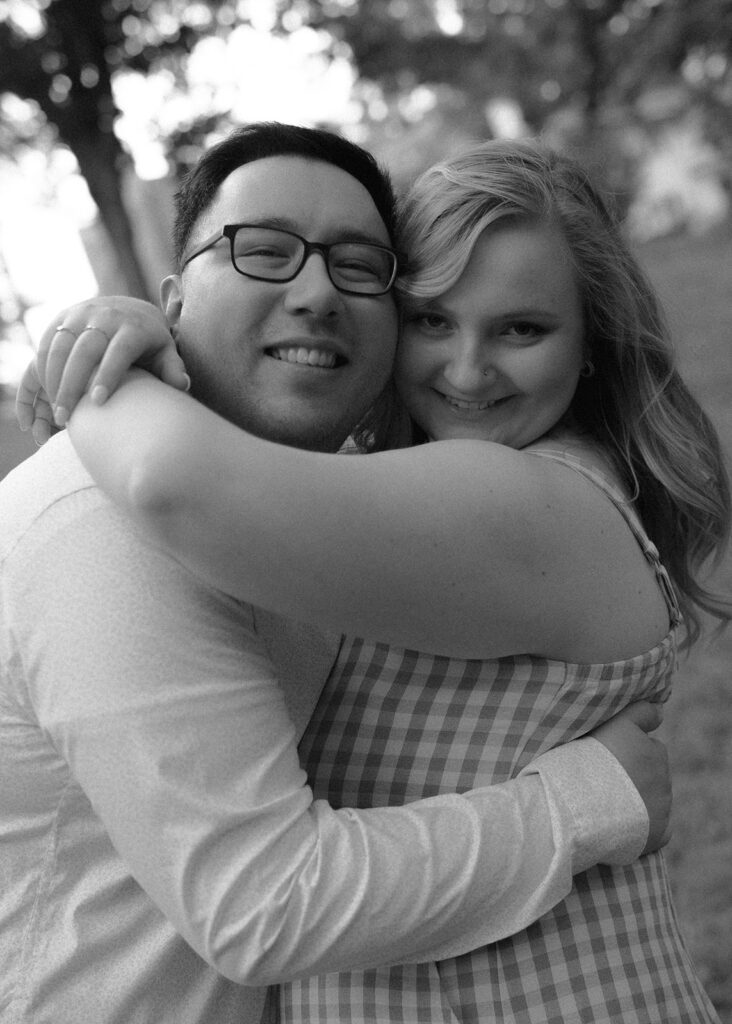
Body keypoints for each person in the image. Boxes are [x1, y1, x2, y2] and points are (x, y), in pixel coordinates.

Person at [27, 134, 729, 1023]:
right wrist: (154, 322)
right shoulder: (386, 485)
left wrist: (102, 368)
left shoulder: (526, 501)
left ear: (592, 343)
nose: (468, 373)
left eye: (523, 328)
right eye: (433, 319)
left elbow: (173, 481)